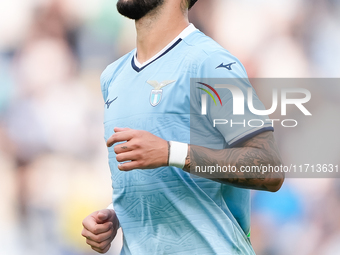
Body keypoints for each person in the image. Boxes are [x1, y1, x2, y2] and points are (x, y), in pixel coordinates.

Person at [81, 0, 284, 254]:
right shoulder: (113, 76)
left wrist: (171, 153)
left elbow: (269, 167)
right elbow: (155, 181)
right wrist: (115, 215)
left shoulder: (211, 63)